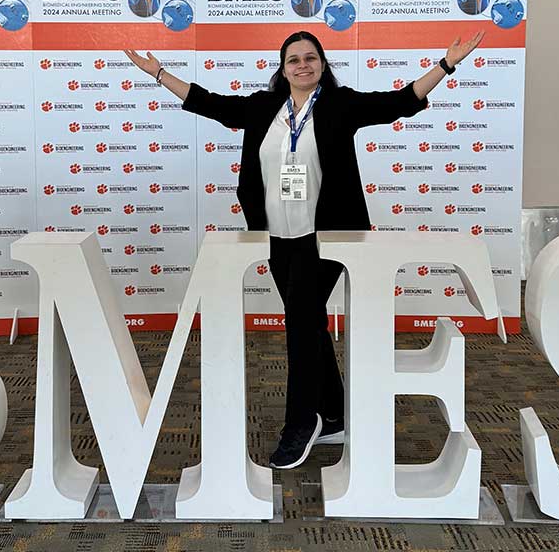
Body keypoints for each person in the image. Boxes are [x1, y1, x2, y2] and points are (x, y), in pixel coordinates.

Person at [125, 29, 484, 469]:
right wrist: (158, 72)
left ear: (322, 64)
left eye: (310, 57)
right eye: (293, 59)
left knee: (299, 323)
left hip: (329, 237)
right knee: (310, 322)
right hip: (277, 236)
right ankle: (334, 414)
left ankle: (302, 421)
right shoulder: (262, 108)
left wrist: (446, 65)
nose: (302, 65)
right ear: (283, 67)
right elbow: (209, 102)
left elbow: (399, 101)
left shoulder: (339, 104)